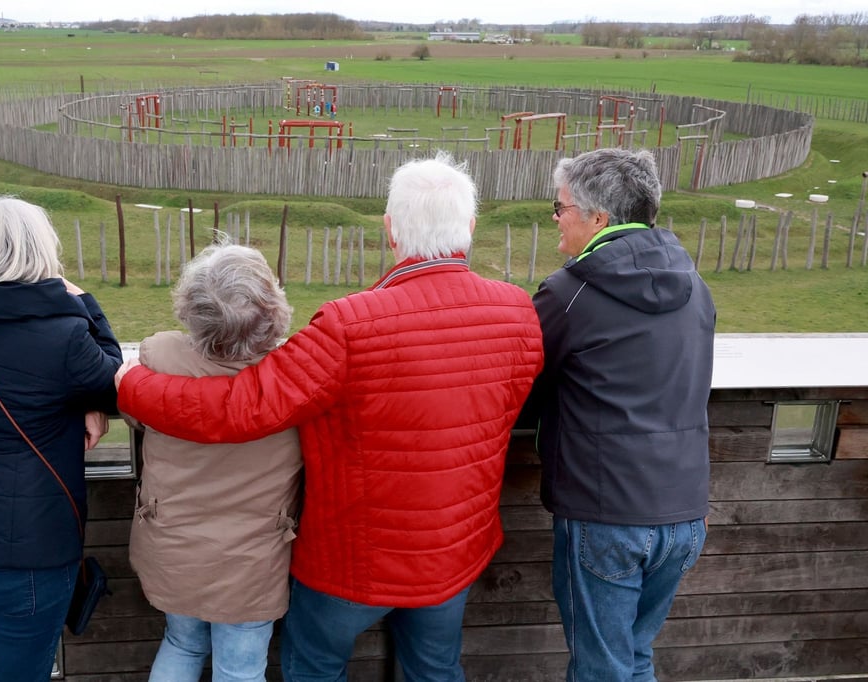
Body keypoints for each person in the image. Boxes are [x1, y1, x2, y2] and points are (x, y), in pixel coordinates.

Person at [116, 152, 544, 680]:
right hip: (452, 554)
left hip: (351, 563)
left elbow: (240, 407)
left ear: (390, 230)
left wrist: (131, 383)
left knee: (315, 668)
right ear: (471, 228)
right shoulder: (517, 312)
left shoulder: (351, 325)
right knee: (436, 670)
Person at [522, 148, 716, 681]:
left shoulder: (570, 292)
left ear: (598, 218)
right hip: (683, 511)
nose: (557, 219)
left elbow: (523, 379)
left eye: (560, 208)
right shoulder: (694, 286)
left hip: (606, 512)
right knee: (633, 657)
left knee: (601, 667)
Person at [0, 194, 123, 682]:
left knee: (16, 659)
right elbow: (114, 382)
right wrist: (83, 301)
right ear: (40, 251)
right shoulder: (67, 334)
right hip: (28, 557)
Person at [127, 241, 302, 682]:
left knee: (182, 644)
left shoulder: (159, 357)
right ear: (272, 308)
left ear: (191, 306)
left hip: (174, 545)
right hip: (252, 559)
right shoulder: (294, 375)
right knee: (239, 669)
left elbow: (132, 413)